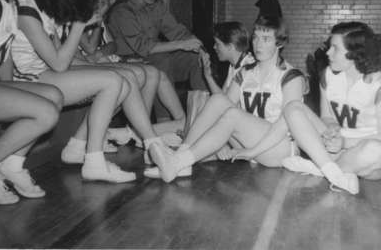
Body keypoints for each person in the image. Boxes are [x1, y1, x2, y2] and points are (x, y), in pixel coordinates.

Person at [10, 0, 157, 183]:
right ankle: (95, 160)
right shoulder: (27, 12)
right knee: (113, 81)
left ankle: (79, 146)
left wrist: (102, 66)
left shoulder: (41, 5)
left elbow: (62, 56)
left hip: (48, 70)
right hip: (32, 77)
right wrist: (79, 26)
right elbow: (60, 64)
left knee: (128, 77)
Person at [148, 15, 307, 184]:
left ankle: (178, 162)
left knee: (233, 115)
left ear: (279, 43)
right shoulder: (245, 72)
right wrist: (221, 141)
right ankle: (181, 158)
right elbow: (221, 110)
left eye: (266, 39)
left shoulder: (292, 76)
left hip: (278, 149)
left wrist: (252, 151)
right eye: (256, 37)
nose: (258, 44)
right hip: (248, 143)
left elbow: (284, 128)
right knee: (218, 100)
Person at [76, 0, 186, 147]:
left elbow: (111, 44)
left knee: (155, 73)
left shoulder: (94, 10)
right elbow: (89, 47)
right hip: (91, 61)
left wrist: (100, 50)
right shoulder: (77, 12)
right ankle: (145, 133)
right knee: (146, 70)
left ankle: (177, 123)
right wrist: (98, 21)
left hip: (107, 57)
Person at [0, 0, 63, 205]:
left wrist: (12, 95)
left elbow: (2, 54)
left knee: (53, 95)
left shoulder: (8, 3)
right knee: (46, 113)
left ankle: (12, 164)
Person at [280, 22, 381, 189]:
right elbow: (326, 116)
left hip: (361, 152)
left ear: (355, 53)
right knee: (293, 107)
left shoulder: (377, 84)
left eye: (335, 48)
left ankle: (322, 168)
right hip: (334, 146)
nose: (328, 52)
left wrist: (345, 142)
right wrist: (332, 128)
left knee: (375, 150)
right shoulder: (328, 76)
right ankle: (334, 171)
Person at [105, 0, 208, 119]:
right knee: (162, 61)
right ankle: (164, 122)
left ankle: (201, 116)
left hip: (153, 56)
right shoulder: (122, 10)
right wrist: (180, 44)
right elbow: (142, 46)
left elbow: (176, 31)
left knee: (195, 59)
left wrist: (199, 47)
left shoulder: (158, 5)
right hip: (127, 61)